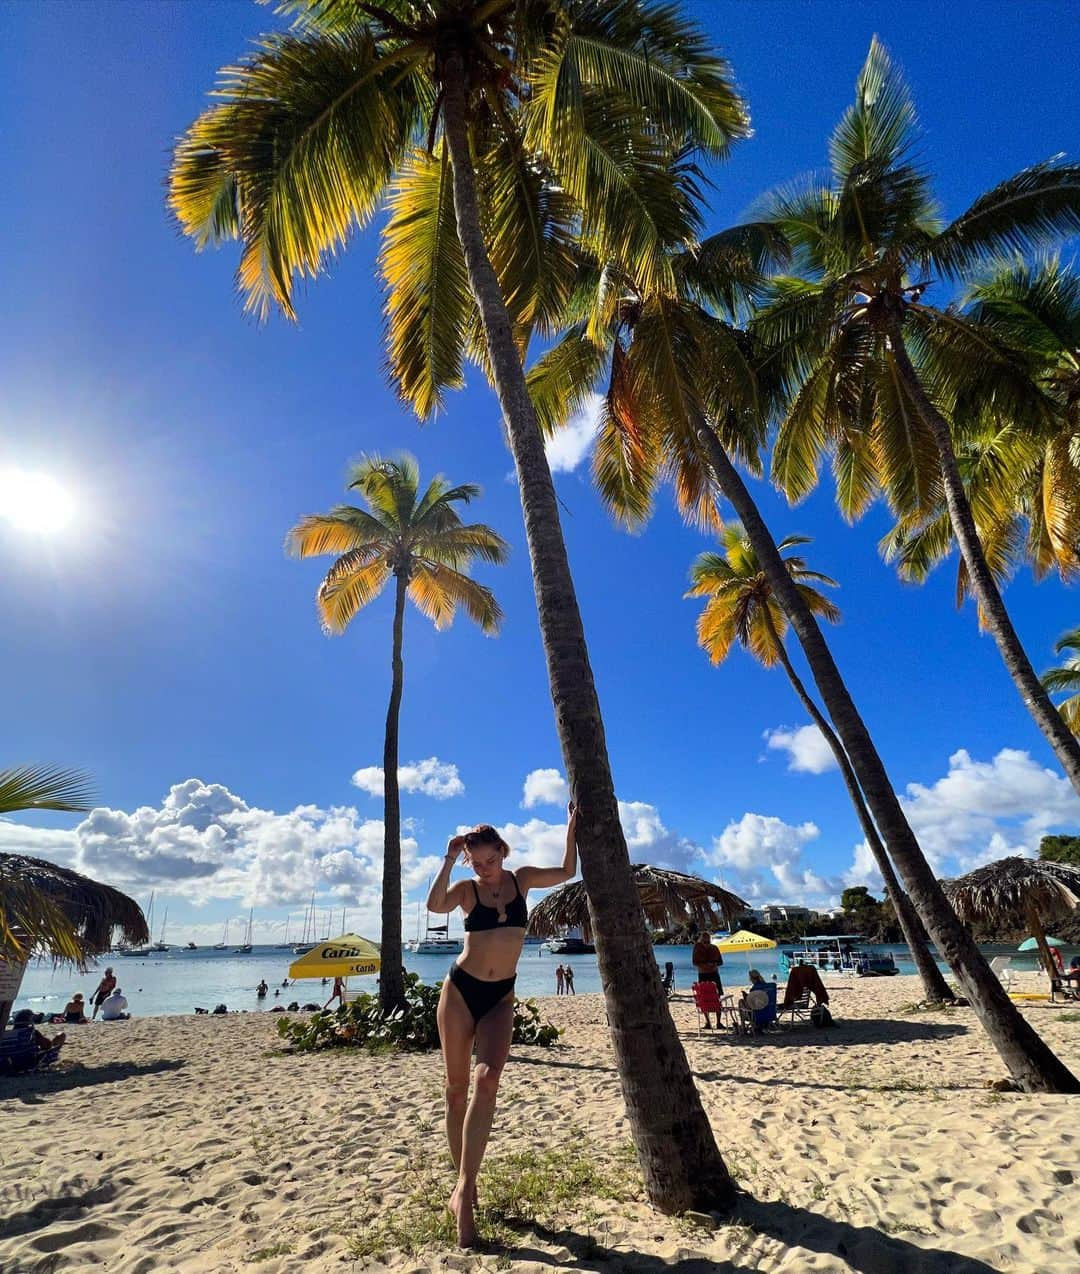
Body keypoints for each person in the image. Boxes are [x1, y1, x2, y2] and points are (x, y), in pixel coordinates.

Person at [427, 801, 579, 1247]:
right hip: (459, 994)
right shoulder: (466, 889)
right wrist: (450, 858)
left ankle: (462, 1187)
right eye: (477, 863)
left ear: (503, 852)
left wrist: (570, 829)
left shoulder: (522, 879)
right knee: (456, 1093)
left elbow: (567, 870)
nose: (485, 869)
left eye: (490, 860)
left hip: (500, 998)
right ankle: (467, 1191)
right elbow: (436, 906)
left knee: (487, 1081)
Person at [691, 930, 724, 1028]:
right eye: (704, 942)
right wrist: (705, 966)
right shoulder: (697, 948)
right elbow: (694, 962)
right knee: (704, 998)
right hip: (704, 974)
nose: (706, 944)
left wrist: (713, 965)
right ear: (701, 940)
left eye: (708, 942)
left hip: (713, 974)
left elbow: (720, 962)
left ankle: (718, 1022)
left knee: (717, 998)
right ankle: (708, 1022)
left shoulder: (714, 948)